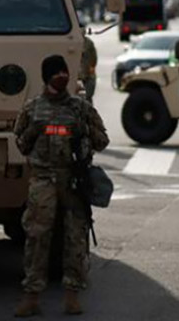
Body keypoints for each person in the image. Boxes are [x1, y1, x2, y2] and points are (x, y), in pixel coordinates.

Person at [12, 55, 110, 317]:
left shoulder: (80, 108)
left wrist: (84, 135)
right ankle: (31, 296)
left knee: (75, 239)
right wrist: (35, 130)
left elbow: (102, 141)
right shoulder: (32, 108)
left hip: (72, 181)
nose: (62, 77)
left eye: (64, 72)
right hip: (42, 180)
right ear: (47, 77)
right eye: (56, 73)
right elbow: (20, 144)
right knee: (37, 237)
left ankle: (72, 296)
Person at [80, 31, 98, 102]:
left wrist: (92, 66)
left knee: (88, 97)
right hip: (77, 75)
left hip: (87, 73)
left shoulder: (88, 43)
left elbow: (94, 56)